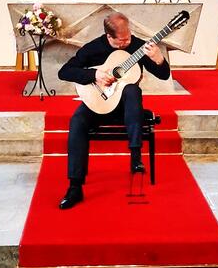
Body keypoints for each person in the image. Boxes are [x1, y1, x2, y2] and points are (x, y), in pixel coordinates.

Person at [57, 12, 170, 209]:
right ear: (109, 36)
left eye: (129, 36)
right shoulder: (93, 48)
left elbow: (163, 75)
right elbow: (64, 71)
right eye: (122, 40)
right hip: (98, 104)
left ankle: (136, 157)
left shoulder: (138, 46)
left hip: (127, 108)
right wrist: (94, 74)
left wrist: (159, 59)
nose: (127, 41)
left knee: (132, 89)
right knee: (77, 122)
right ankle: (75, 187)